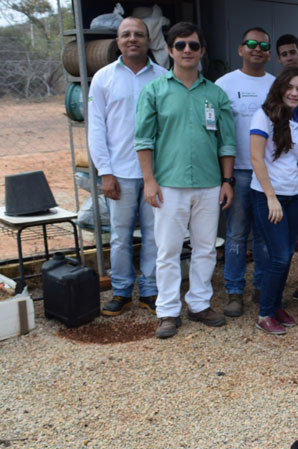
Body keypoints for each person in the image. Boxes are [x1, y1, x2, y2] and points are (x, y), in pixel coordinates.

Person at [135, 22, 236, 339]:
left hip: (208, 185)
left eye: (193, 45)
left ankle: (199, 304)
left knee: (206, 248)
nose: (187, 51)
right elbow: (143, 140)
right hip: (168, 185)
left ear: (202, 50)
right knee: (167, 250)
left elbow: (227, 143)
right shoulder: (154, 91)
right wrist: (149, 181)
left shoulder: (215, 94)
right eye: (180, 45)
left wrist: (227, 180)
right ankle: (167, 311)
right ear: (169, 50)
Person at [88, 17, 167, 317]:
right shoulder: (103, 78)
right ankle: (121, 290)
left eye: (138, 34)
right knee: (120, 236)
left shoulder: (162, 77)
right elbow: (96, 128)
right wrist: (104, 171)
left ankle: (149, 289)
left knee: (154, 233)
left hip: (156, 173)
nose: (132, 39)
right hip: (119, 172)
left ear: (148, 40)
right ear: (117, 41)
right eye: (126, 35)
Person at [216, 26, 275, 317]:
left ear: (269, 53)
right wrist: (222, 176)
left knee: (264, 234)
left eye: (263, 45)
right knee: (236, 234)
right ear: (240, 50)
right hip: (237, 171)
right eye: (251, 43)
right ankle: (234, 291)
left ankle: (263, 287)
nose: (257, 48)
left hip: (266, 173)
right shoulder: (224, 84)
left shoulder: (277, 85)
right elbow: (215, 132)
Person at [249, 67, 298, 335]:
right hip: (268, 196)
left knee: (287, 255)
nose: (295, 93)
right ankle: (264, 313)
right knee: (279, 257)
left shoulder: (294, 122)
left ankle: (275, 306)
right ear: (280, 88)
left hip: (292, 196)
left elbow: (294, 161)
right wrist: (271, 197)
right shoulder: (263, 116)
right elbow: (255, 157)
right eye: (291, 87)